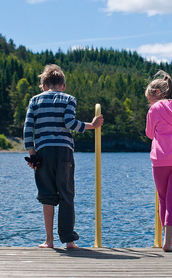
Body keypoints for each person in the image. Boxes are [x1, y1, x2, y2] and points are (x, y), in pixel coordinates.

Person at [23, 64, 104, 249]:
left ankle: (49, 240)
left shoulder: (35, 101)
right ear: (63, 86)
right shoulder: (69, 99)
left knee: (47, 195)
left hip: (43, 151)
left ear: (43, 86)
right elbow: (70, 122)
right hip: (64, 152)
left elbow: (28, 128)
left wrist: (32, 154)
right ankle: (68, 240)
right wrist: (92, 125)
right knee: (66, 193)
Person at [145, 70, 172, 252]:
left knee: (163, 199)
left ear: (157, 93)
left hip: (160, 159)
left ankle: (167, 240)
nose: (149, 102)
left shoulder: (154, 109)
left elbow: (149, 134)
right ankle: (169, 240)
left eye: (149, 98)